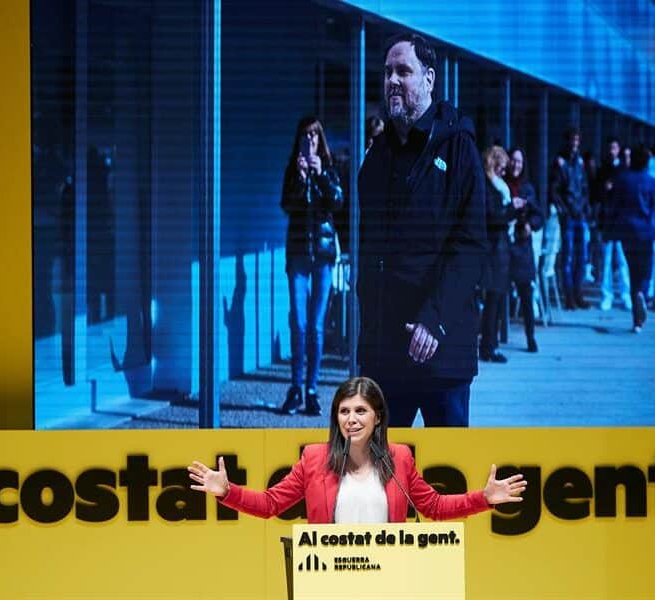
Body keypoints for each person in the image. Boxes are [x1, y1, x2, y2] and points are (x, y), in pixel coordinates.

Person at [357, 33, 487, 427]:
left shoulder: (458, 148)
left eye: (404, 71)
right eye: (387, 72)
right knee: (383, 464)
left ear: (429, 79)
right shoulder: (378, 155)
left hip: (443, 354)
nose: (392, 80)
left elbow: (470, 245)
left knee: (447, 466)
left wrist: (434, 318)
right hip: (386, 357)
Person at [189, 377, 526, 523]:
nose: (351, 419)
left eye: (360, 411)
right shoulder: (314, 459)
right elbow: (270, 504)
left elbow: (434, 507)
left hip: (388, 584)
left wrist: (484, 498)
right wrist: (227, 492)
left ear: (378, 417)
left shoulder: (399, 458)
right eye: (344, 411)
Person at [280, 116, 344, 416]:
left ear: (320, 140)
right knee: (299, 322)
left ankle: (312, 389)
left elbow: (338, 202)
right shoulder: (293, 170)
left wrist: (319, 177)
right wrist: (301, 178)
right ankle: (295, 387)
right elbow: (286, 205)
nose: (310, 141)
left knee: (316, 326)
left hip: (323, 254)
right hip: (298, 254)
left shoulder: (328, 168)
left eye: (314, 136)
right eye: (305, 136)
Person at [606, 145, 655, 332]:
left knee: (633, 271)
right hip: (646, 232)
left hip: (626, 232)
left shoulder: (622, 180)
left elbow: (614, 206)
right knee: (646, 270)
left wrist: (609, 229)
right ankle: (643, 293)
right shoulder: (651, 182)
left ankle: (637, 321)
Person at [480, 146, 517, 363]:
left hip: (500, 248)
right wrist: (512, 210)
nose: (505, 171)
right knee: (493, 301)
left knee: (497, 299)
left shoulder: (496, 185)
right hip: (493, 249)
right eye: (502, 166)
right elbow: (492, 217)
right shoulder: (487, 186)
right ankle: (489, 346)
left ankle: (491, 344)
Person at [506, 147, 544, 353]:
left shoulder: (527, 187)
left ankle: (530, 337)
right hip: (504, 247)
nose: (516, 165)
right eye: (513, 160)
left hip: (522, 247)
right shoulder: (500, 183)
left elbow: (539, 215)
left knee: (526, 295)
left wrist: (530, 224)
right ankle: (493, 337)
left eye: (519, 161)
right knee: (497, 295)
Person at [550, 127, 590, 309]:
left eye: (577, 140)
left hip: (580, 215)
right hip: (569, 216)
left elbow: (584, 187)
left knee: (581, 257)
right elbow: (555, 190)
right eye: (572, 140)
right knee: (568, 257)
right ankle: (569, 296)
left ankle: (578, 293)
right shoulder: (560, 163)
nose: (575, 144)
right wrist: (564, 211)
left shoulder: (579, 164)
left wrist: (584, 208)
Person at [596, 137, 631, 311]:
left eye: (615, 148)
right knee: (606, 261)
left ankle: (626, 294)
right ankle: (606, 295)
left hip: (621, 221)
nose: (612, 151)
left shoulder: (624, 170)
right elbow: (596, 194)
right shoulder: (602, 169)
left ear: (619, 150)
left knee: (622, 260)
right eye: (610, 148)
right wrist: (604, 189)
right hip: (607, 222)